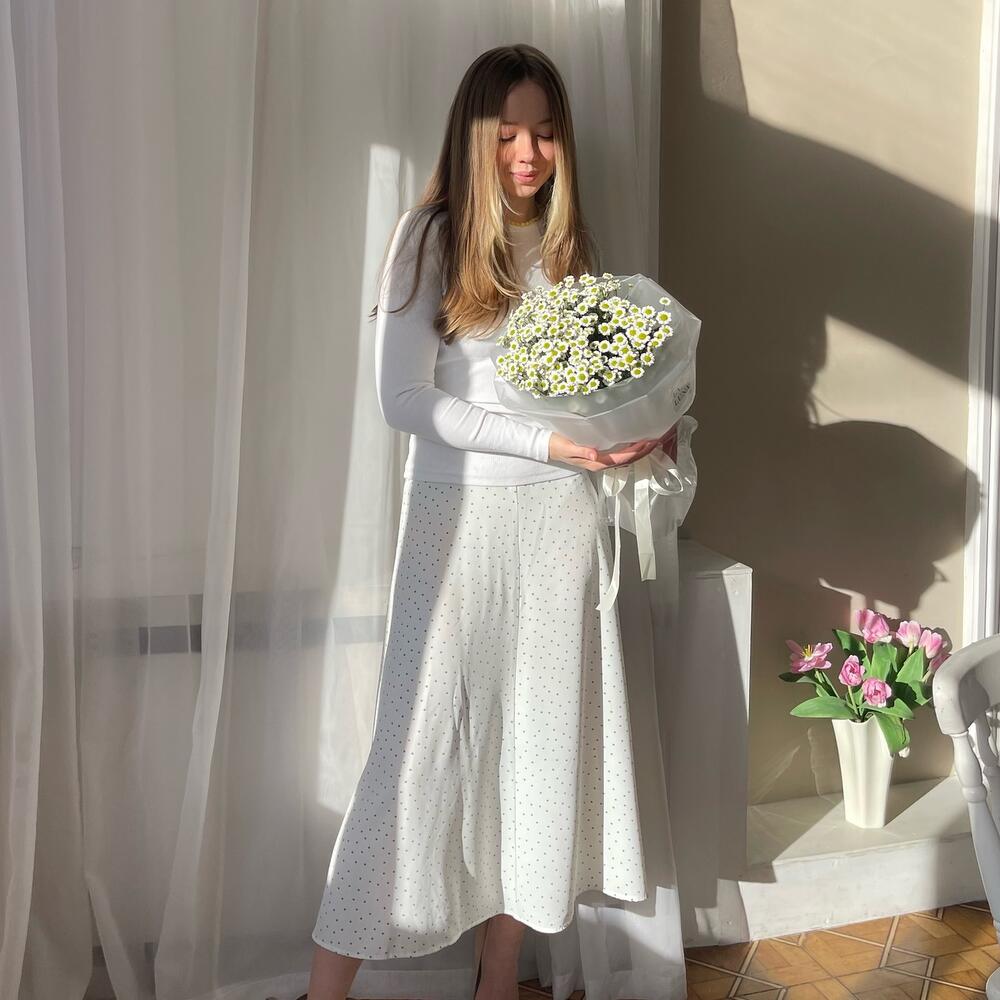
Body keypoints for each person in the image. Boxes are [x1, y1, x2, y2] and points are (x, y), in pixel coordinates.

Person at [306, 43, 677, 1000]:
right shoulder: (428, 237)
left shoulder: (567, 248)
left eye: (545, 133)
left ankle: (498, 981)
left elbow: (593, 395)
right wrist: (553, 445)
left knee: (540, 754)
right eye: (508, 133)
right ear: (473, 135)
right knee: (416, 756)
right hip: (458, 524)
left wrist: (642, 427)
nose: (527, 153)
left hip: (561, 527)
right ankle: (324, 990)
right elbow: (402, 400)